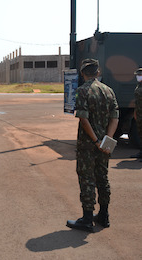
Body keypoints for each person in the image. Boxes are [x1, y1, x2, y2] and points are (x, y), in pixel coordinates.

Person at [66, 59, 119, 232]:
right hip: (104, 145)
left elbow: (83, 118)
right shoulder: (108, 91)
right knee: (102, 178)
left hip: (88, 145)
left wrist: (95, 141)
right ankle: (104, 215)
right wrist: (106, 140)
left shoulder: (82, 91)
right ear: (98, 72)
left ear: (83, 73)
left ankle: (87, 219)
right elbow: (114, 117)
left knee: (87, 178)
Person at [131, 68, 142, 161]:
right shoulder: (139, 85)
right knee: (140, 133)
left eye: (140, 75)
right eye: (138, 75)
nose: (138, 76)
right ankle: (141, 152)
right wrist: (135, 112)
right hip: (139, 112)